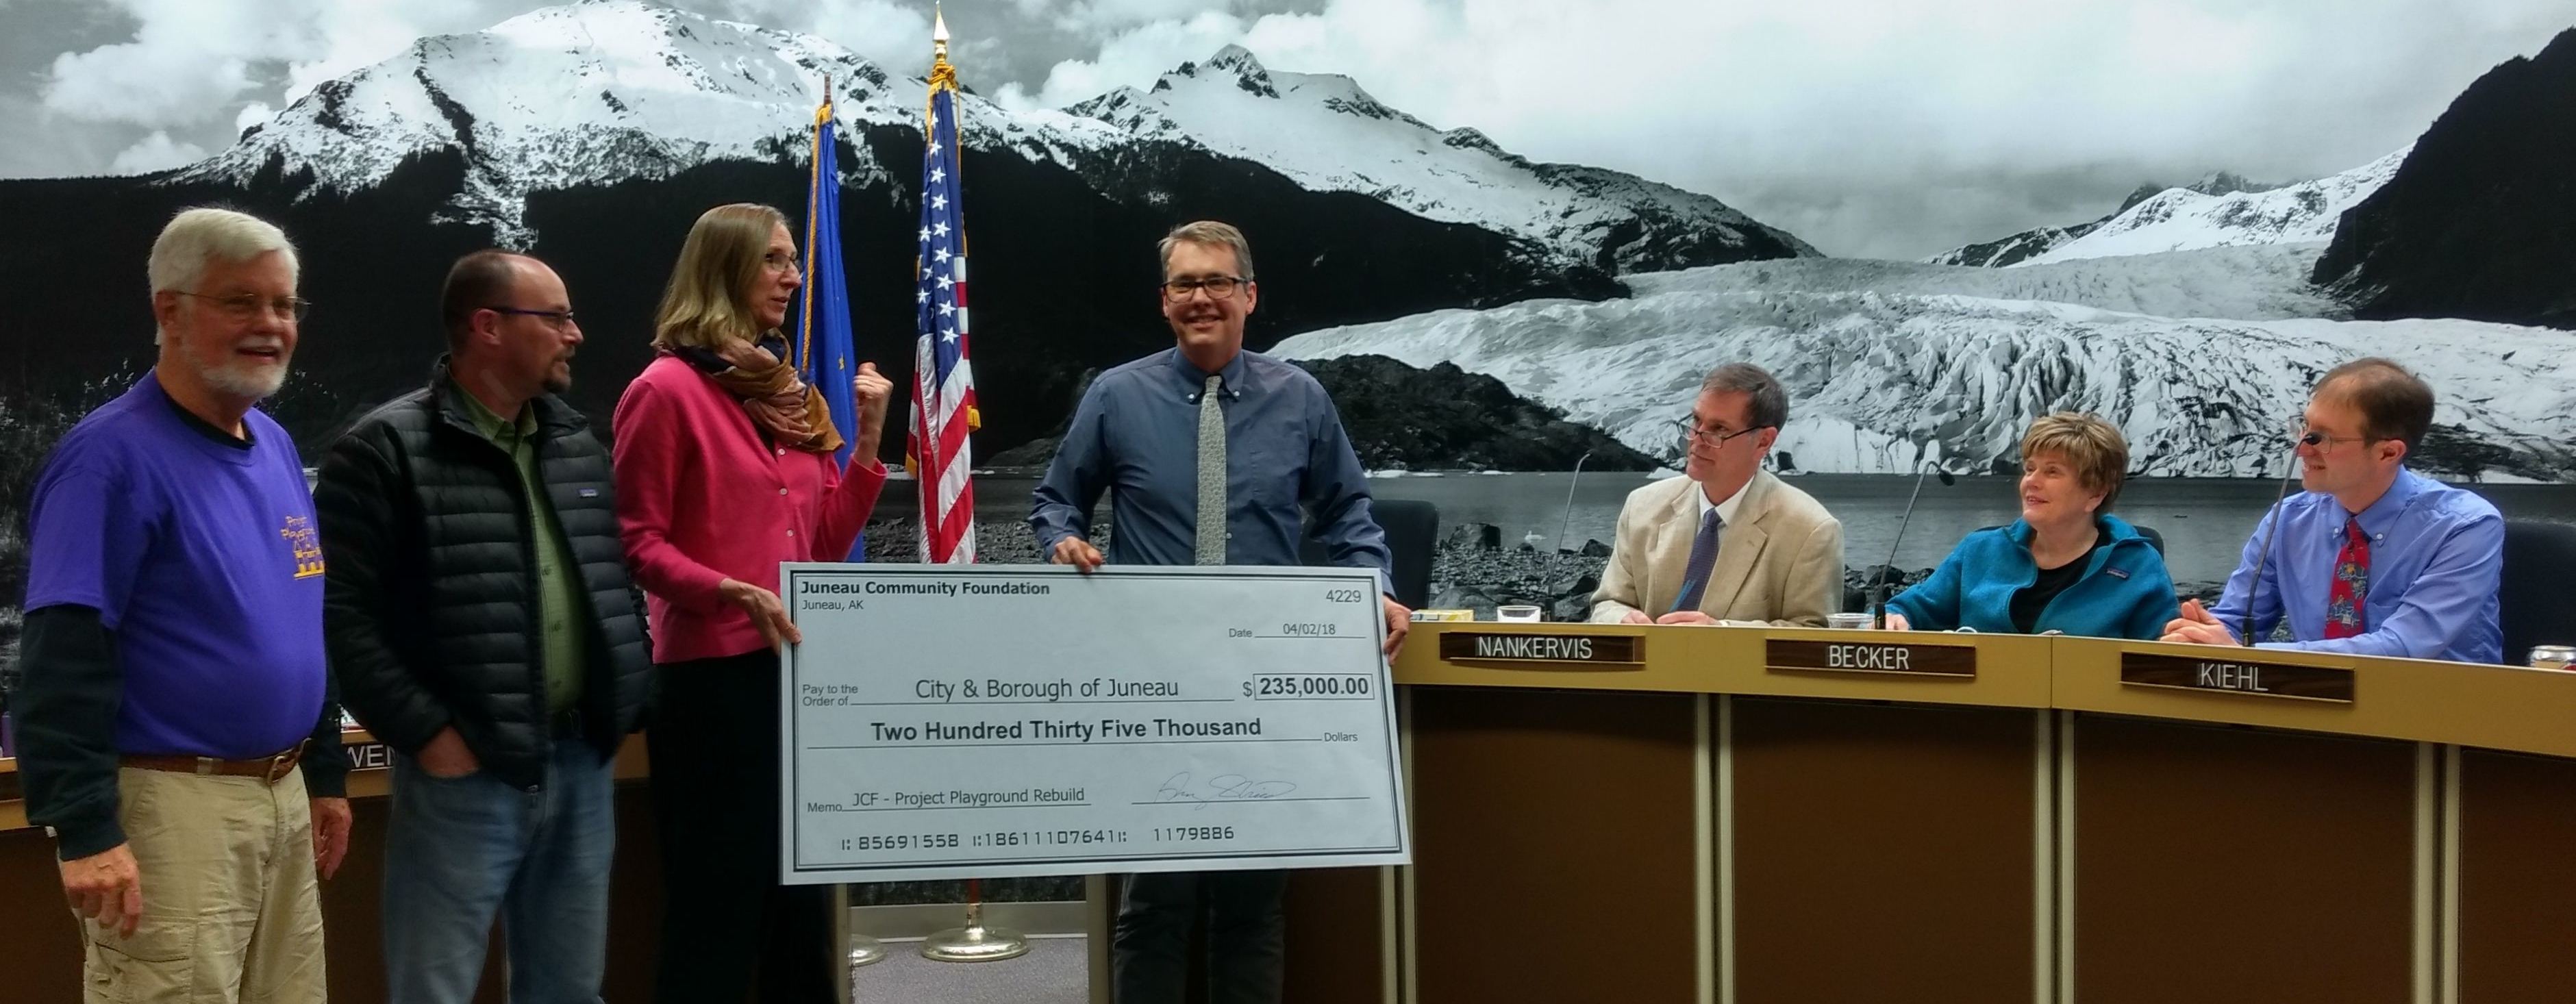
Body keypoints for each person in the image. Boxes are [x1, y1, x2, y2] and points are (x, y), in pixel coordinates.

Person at [1031, 220, 1411, 1004]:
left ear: (1249, 295)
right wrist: (1062, 539)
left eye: (1216, 282)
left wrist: (1370, 583)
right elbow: (1056, 499)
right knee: (1155, 903)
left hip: (1262, 685)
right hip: (1152, 681)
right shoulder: (1115, 395)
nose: (1200, 297)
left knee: (1251, 905)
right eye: (1184, 283)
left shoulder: (1299, 398)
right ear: (1164, 300)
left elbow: (1348, 513)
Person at [14, 206, 350, 1002]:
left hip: (283, 796)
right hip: (173, 812)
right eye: (241, 301)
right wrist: (86, 829)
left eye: (285, 304)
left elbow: (301, 620)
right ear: (170, 310)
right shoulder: (107, 461)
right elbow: (62, 652)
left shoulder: (273, 445)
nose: (271, 324)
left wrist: (325, 771)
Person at [314, 250, 653, 1003]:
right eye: (556, 317)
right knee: (435, 989)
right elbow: (340, 614)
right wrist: (427, 734)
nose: (576, 334)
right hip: (463, 776)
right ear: (488, 326)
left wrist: (626, 691)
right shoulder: (384, 448)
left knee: (569, 990)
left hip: (581, 761)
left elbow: (611, 581)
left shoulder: (575, 443)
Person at [612, 203, 892, 1002]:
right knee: (716, 909)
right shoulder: (662, 390)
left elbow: (824, 542)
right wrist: (725, 587)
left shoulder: (790, 392)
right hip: (711, 684)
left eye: (792, 261)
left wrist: (868, 439)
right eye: (773, 260)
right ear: (724, 269)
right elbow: (636, 542)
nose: (792, 277)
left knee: (800, 910)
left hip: (798, 679)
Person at [2163, 357, 2503, 662]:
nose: (2301, 449)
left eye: (2321, 438)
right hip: (2313, 701)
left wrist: (2242, 653)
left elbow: (2403, 646)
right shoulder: (2288, 519)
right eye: (2304, 428)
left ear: (2388, 453)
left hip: (2437, 706)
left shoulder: (2465, 526)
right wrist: (2198, 636)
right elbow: (2237, 622)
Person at [1588, 363, 1844, 626]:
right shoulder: (1642, 506)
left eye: (1719, 429)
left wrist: (1720, 635)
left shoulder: (1811, 530)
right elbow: (1608, 603)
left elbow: (1812, 634)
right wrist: (1622, 620)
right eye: (1696, 421)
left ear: (1764, 441)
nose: (1697, 440)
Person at [1884, 413, 2177, 638]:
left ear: (2096, 494)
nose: (2031, 482)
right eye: (2030, 469)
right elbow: (1907, 609)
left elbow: (2164, 654)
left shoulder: (2137, 564)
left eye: (2052, 472)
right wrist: (1892, 619)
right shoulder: (1980, 550)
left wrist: (2187, 640)